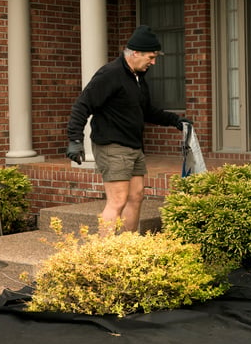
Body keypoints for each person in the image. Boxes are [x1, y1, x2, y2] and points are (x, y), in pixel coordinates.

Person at [66, 25, 187, 236]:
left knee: (137, 196)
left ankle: (129, 246)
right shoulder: (110, 74)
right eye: (151, 57)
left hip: (133, 146)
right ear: (135, 53)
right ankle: (105, 253)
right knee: (118, 200)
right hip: (112, 146)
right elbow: (82, 105)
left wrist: (175, 120)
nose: (154, 62)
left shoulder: (138, 77)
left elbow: (146, 111)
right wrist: (75, 139)